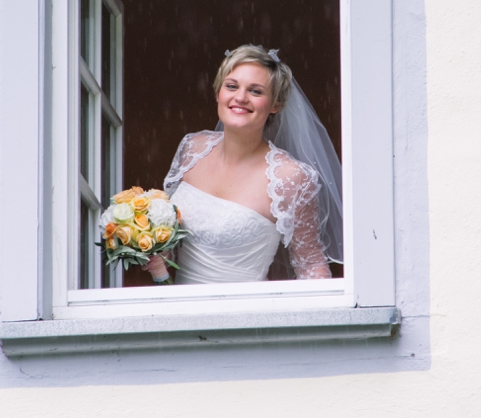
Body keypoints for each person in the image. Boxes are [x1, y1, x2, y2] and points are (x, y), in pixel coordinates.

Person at [145, 44, 342, 284]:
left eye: (256, 91)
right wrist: (150, 253)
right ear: (218, 92)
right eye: (231, 86)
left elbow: (311, 264)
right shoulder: (192, 148)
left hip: (244, 314)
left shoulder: (292, 178)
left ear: (275, 105)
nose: (240, 97)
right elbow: (168, 239)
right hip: (177, 311)